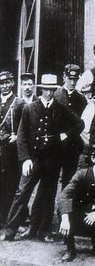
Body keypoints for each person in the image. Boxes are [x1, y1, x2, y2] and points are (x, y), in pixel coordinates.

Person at [1, 74, 83, 242]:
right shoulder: (29, 108)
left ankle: (43, 231)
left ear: (55, 90)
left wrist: (66, 134)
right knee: (22, 193)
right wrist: (25, 159)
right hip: (33, 159)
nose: (48, 93)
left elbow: (80, 124)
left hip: (52, 160)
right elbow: (22, 136)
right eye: (46, 89)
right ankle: (10, 231)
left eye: (52, 90)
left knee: (48, 195)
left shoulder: (61, 108)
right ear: (41, 89)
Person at [54, 64, 88, 189]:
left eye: (75, 79)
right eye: (70, 79)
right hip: (56, 144)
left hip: (72, 145)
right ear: (64, 77)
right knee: (52, 178)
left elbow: (81, 124)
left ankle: (64, 206)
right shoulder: (55, 95)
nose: (73, 82)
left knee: (69, 179)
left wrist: (68, 134)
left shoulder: (81, 99)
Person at [0, 71, 25, 227]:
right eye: (1, 83)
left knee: (10, 183)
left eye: (7, 82)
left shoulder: (19, 103)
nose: (4, 86)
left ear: (12, 83)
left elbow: (25, 126)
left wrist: (17, 137)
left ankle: (8, 219)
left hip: (10, 150)